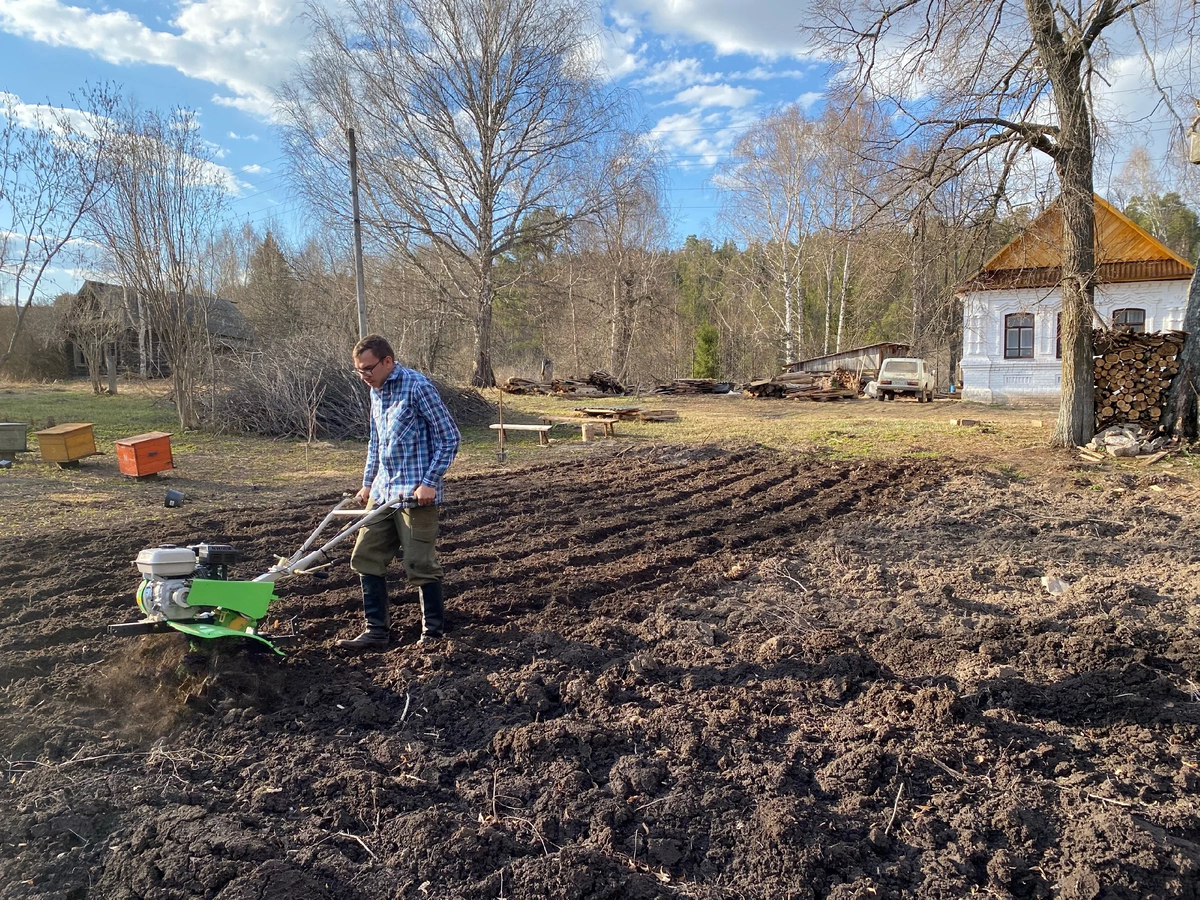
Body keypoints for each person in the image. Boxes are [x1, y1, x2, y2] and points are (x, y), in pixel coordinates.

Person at [338, 334, 461, 651]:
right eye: (359, 371)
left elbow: (449, 438)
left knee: (420, 563)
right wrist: (367, 482)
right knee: (365, 555)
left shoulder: (417, 387)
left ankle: (432, 636)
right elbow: (375, 442)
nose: (364, 376)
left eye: (368, 369)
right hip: (383, 492)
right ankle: (376, 631)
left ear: (387, 361)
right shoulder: (375, 392)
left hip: (415, 495)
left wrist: (430, 481)